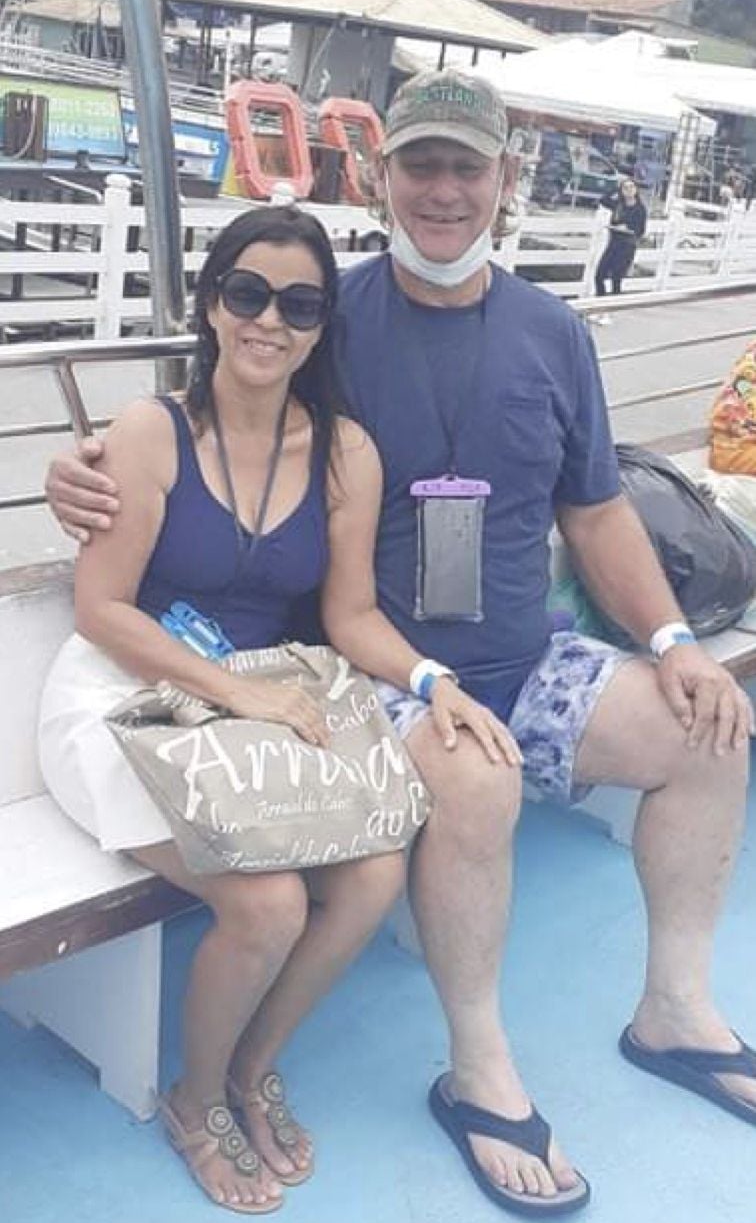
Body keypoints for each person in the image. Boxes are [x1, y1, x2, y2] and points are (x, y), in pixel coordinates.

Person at [46, 69, 756, 1217]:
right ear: (380, 179)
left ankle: (675, 1009)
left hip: (527, 656)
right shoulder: (330, 315)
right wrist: (74, 469)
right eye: (418, 163)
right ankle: (481, 1071)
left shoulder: (555, 332)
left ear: (505, 184)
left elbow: (597, 509)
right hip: (371, 668)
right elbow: (215, 404)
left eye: (465, 166)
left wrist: (672, 637)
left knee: (710, 728)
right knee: (473, 789)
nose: (440, 188)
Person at [38, 204, 517, 1215]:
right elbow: (102, 609)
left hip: (256, 708)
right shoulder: (150, 432)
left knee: (374, 871)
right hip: (129, 699)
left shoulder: (345, 454)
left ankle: (251, 1064)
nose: (269, 321)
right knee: (266, 901)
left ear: (319, 327)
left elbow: (349, 615)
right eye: (247, 293)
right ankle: (193, 1097)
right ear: (212, 303)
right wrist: (240, 695)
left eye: (298, 304)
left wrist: (434, 682)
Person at [594, 177, 648, 297]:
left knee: (616, 279)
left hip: (627, 246)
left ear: (636, 190)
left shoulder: (640, 209)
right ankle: (600, 302)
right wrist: (616, 188)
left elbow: (641, 231)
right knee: (599, 275)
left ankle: (613, 305)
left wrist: (628, 229)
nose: (629, 190)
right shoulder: (618, 205)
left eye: (631, 187)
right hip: (613, 244)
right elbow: (603, 199)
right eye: (625, 187)